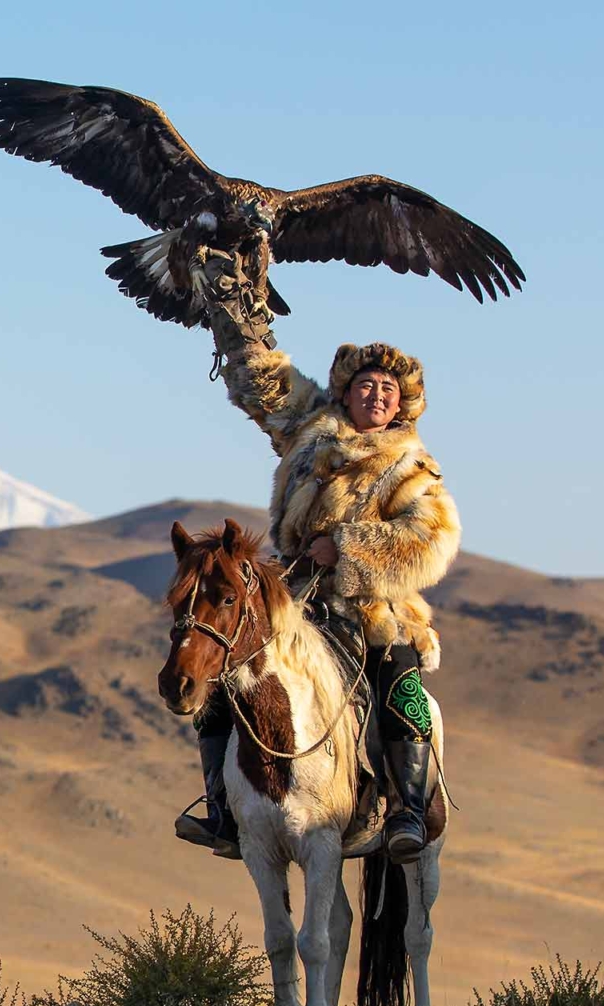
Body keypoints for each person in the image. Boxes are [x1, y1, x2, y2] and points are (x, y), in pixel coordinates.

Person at [175, 252, 461, 864]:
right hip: (294, 593)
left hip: (374, 605)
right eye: (366, 385)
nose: (376, 394)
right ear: (346, 392)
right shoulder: (311, 427)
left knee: (401, 688)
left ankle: (408, 809)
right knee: (228, 679)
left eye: (388, 389)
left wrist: (350, 550)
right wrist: (236, 319)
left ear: (402, 404)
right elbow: (266, 383)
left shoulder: (412, 468)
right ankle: (224, 809)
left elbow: (433, 538)